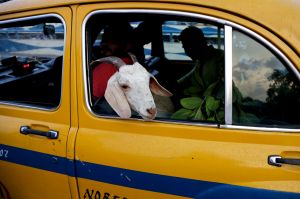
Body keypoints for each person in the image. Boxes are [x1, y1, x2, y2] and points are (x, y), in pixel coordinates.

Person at [92, 22, 134, 100]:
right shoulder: (133, 63)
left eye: (113, 39)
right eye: (104, 38)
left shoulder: (108, 67)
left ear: (127, 44)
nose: (103, 44)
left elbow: (88, 100)